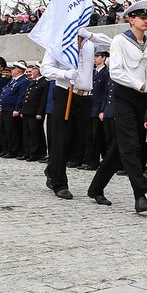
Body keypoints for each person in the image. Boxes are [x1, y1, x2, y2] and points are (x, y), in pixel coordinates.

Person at [86, 1, 147, 211]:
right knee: (131, 145)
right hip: (124, 96)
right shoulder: (120, 41)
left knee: (119, 149)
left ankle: (95, 188)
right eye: (141, 17)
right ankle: (140, 194)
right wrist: (141, 85)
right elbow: (116, 72)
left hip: (142, 99)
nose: (146, 21)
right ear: (131, 20)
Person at [42, 27, 112, 200]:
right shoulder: (59, 42)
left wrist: (90, 35)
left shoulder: (90, 43)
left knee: (78, 141)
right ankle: (60, 183)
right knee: (61, 139)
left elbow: (112, 45)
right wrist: (64, 73)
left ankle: (52, 168)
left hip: (85, 96)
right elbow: (45, 68)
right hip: (65, 93)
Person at [0, 62, 28, 158]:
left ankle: (13, 150)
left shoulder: (23, 81)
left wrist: (17, 109)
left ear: (18, 71)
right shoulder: (13, 80)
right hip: (5, 109)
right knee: (4, 131)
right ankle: (5, 149)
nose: (11, 71)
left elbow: (21, 96)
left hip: (12, 109)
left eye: (13, 69)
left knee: (12, 132)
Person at [21, 63, 49, 161]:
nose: (31, 72)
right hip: (27, 111)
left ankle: (35, 153)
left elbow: (43, 99)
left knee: (35, 134)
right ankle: (28, 152)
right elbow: (27, 97)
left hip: (35, 112)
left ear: (38, 71)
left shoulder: (44, 82)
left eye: (33, 70)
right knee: (27, 133)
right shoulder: (33, 82)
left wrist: (40, 113)